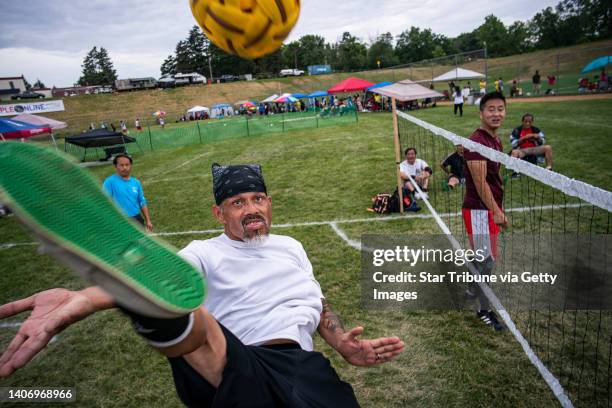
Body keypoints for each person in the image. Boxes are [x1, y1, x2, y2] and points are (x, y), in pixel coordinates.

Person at [0, 162, 404, 407]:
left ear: (269, 203)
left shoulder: (291, 246)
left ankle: (155, 312)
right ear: (218, 213)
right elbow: (166, 276)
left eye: (258, 199)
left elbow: (317, 301)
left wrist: (344, 345)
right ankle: (150, 310)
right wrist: (81, 300)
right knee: (190, 313)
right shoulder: (204, 252)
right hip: (236, 362)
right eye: (238, 203)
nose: (252, 210)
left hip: (306, 368)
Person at [462, 91, 508, 332]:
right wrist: (497, 212)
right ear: (481, 113)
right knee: (487, 261)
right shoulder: (477, 142)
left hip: (488, 209)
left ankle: (471, 287)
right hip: (479, 211)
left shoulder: (495, 139)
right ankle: (483, 310)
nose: (496, 113)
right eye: (491, 109)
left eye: (500, 109)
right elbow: (480, 185)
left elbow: (495, 175)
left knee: (485, 259)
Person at [102, 154, 153, 231]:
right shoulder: (109, 182)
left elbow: (142, 202)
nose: (124, 168)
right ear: (116, 166)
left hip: (137, 219)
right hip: (120, 221)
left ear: (131, 166)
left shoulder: (136, 182)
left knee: (141, 241)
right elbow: (104, 202)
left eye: (127, 165)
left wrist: (148, 220)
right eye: (121, 165)